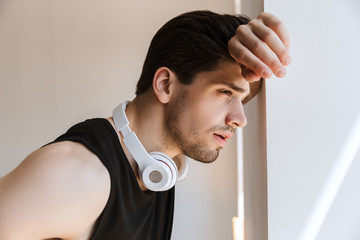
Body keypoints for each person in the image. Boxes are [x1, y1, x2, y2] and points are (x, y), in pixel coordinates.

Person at [0, 10, 290, 240]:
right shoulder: (77, 175)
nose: (239, 119)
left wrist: (264, 36)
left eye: (241, 98)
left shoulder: (156, 171)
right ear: (165, 85)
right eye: (225, 93)